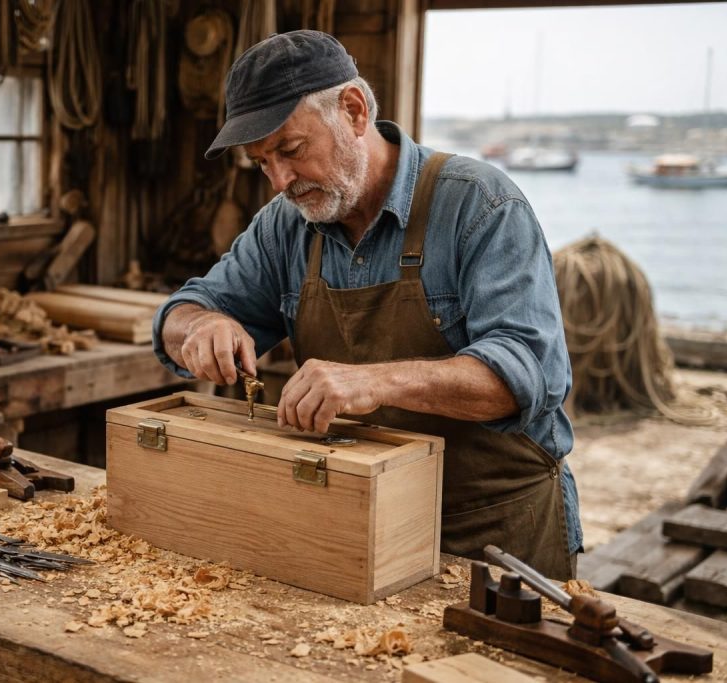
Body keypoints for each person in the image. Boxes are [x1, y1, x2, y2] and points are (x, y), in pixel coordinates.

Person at [152, 30, 582, 579]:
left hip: (491, 530)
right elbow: (180, 313)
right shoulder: (285, 225)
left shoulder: (480, 205)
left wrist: (375, 381)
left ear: (354, 111)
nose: (280, 181)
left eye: (291, 150)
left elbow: (529, 373)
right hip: (354, 525)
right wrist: (202, 325)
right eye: (261, 163)